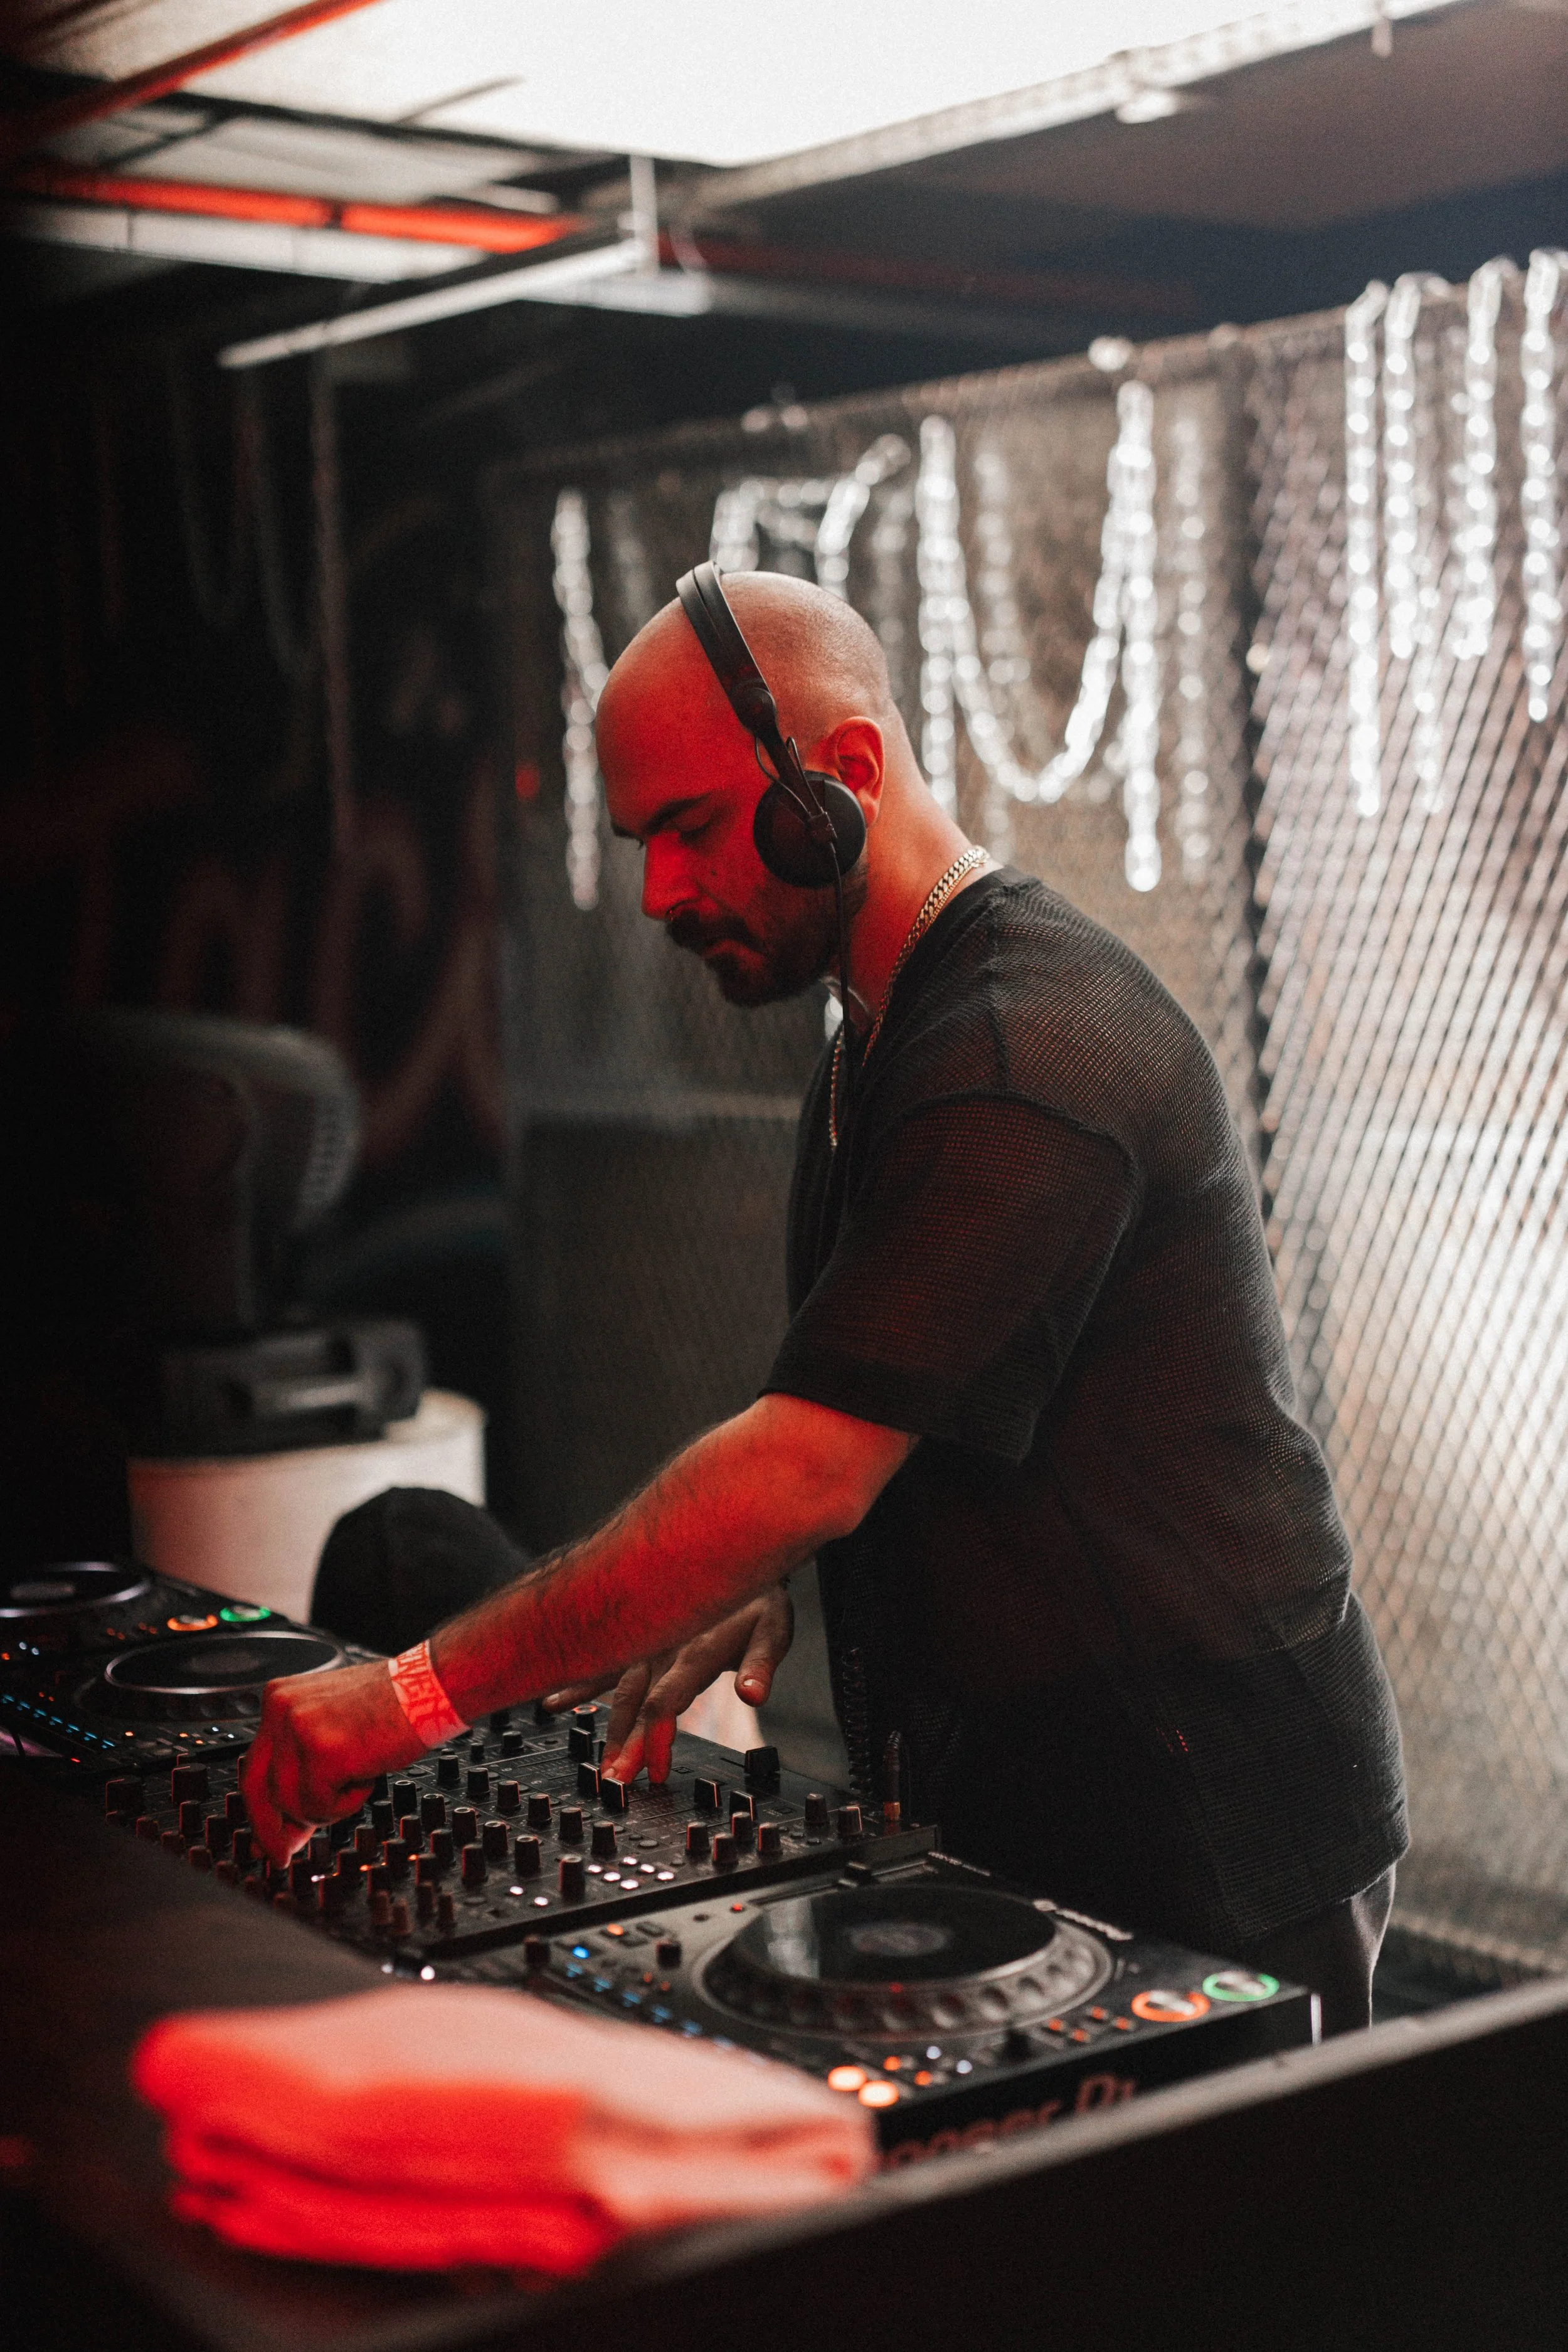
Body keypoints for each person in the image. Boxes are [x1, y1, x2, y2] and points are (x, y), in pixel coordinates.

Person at [243, 573, 1406, 2033]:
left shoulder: (1014, 1050)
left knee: (1228, 2257)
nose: (661, 893)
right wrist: (743, 1566)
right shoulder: (876, 1042)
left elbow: (806, 1467)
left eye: (689, 828)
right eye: (639, 842)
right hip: (1049, 1785)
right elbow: (920, 1409)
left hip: (1209, 1817)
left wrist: (408, 1700)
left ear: (841, 776)